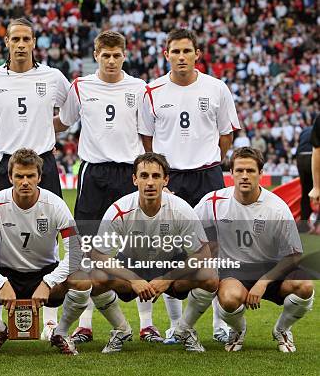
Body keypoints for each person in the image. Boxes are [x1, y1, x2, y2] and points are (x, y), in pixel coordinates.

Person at [138, 28, 240, 343]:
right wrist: (163, 176)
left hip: (208, 174)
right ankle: (174, 326)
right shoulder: (152, 91)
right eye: (175, 51)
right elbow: (147, 140)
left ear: (197, 54)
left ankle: (217, 326)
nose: (181, 57)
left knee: (213, 251)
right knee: (170, 252)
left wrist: (208, 161)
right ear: (166, 54)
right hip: (172, 179)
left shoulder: (217, 88)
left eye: (187, 51)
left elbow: (227, 136)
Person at [53, 30, 146, 344]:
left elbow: (148, 132)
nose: (110, 60)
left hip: (129, 173)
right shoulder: (80, 86)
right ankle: (86, 325)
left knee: (133, 249)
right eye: (105, 55)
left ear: (124, 55)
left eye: (116, 55)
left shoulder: (139, 88)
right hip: (93, 174)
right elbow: (61, 123)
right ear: (96, 55)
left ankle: (146, 324)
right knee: (89, 248)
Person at [0, 16, 69, 338]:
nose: (20, 45)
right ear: (6, 42)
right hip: (5, 160)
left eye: (25, 39)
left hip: (43, 159)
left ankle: (48, 321)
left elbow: (69, 115)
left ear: (34, 42)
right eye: (14, 39)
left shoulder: (53, 77)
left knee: (54, 230)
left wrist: (45, 128)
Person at [0, 148, 91, 355]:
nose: (25, 181)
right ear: (10, 176)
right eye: (19, 176)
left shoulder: (55, 205)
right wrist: (1, 282)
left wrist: (48, 282)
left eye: (30, 176)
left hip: (45, 273)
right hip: (5, 273)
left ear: (39, 176)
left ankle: (61, 333)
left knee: (82, 279)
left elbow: (75, 253)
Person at [89, 152, 218, 353]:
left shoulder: (181, 209)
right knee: (95, 278)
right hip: (132, 265)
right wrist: (133, 279)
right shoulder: (119, 209)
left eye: (156, 176)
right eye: (144, 176)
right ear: (134, 179)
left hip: (170, 265)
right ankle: (121, 329)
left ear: (165, 180)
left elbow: (203, 254)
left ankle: (184, 330)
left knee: (209, 276)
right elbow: (98, 255)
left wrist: (167, 279)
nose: (150, 182)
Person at [196, 147, 314, 352]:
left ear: (261, 173)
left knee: (304, 285)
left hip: (271, 270)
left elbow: (295, 255)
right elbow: (188, 227)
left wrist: (263, 282)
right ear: (230, 173)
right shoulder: (212, 201)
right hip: (234, 271)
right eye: (239, 170)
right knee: (229, 297)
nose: (244, 176)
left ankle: (282, 329)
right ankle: (238, 329)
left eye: (250, 171)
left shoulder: (277, 208)